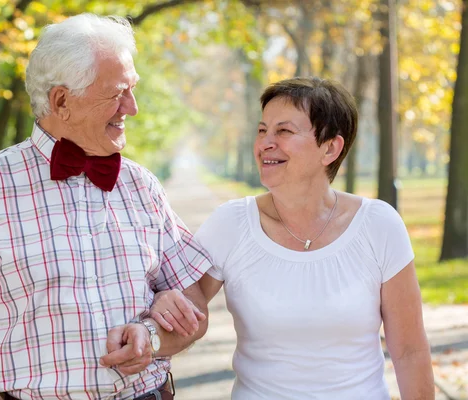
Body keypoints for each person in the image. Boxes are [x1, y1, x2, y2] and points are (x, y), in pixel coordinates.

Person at [0, 13, 212, 400]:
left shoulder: (142, 185)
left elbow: (194, 304)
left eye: (132, 89)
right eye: (117, 93)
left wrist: (151, 337)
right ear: (61, 101)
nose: (132, 107)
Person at [150, 77, 435, 399]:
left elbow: (410, 351)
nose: (265, 143)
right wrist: (163, 302)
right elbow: (184, 307)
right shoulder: (230, 224)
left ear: (330, 148)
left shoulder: (379, 225)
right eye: (262, 130)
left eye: (283, 131)